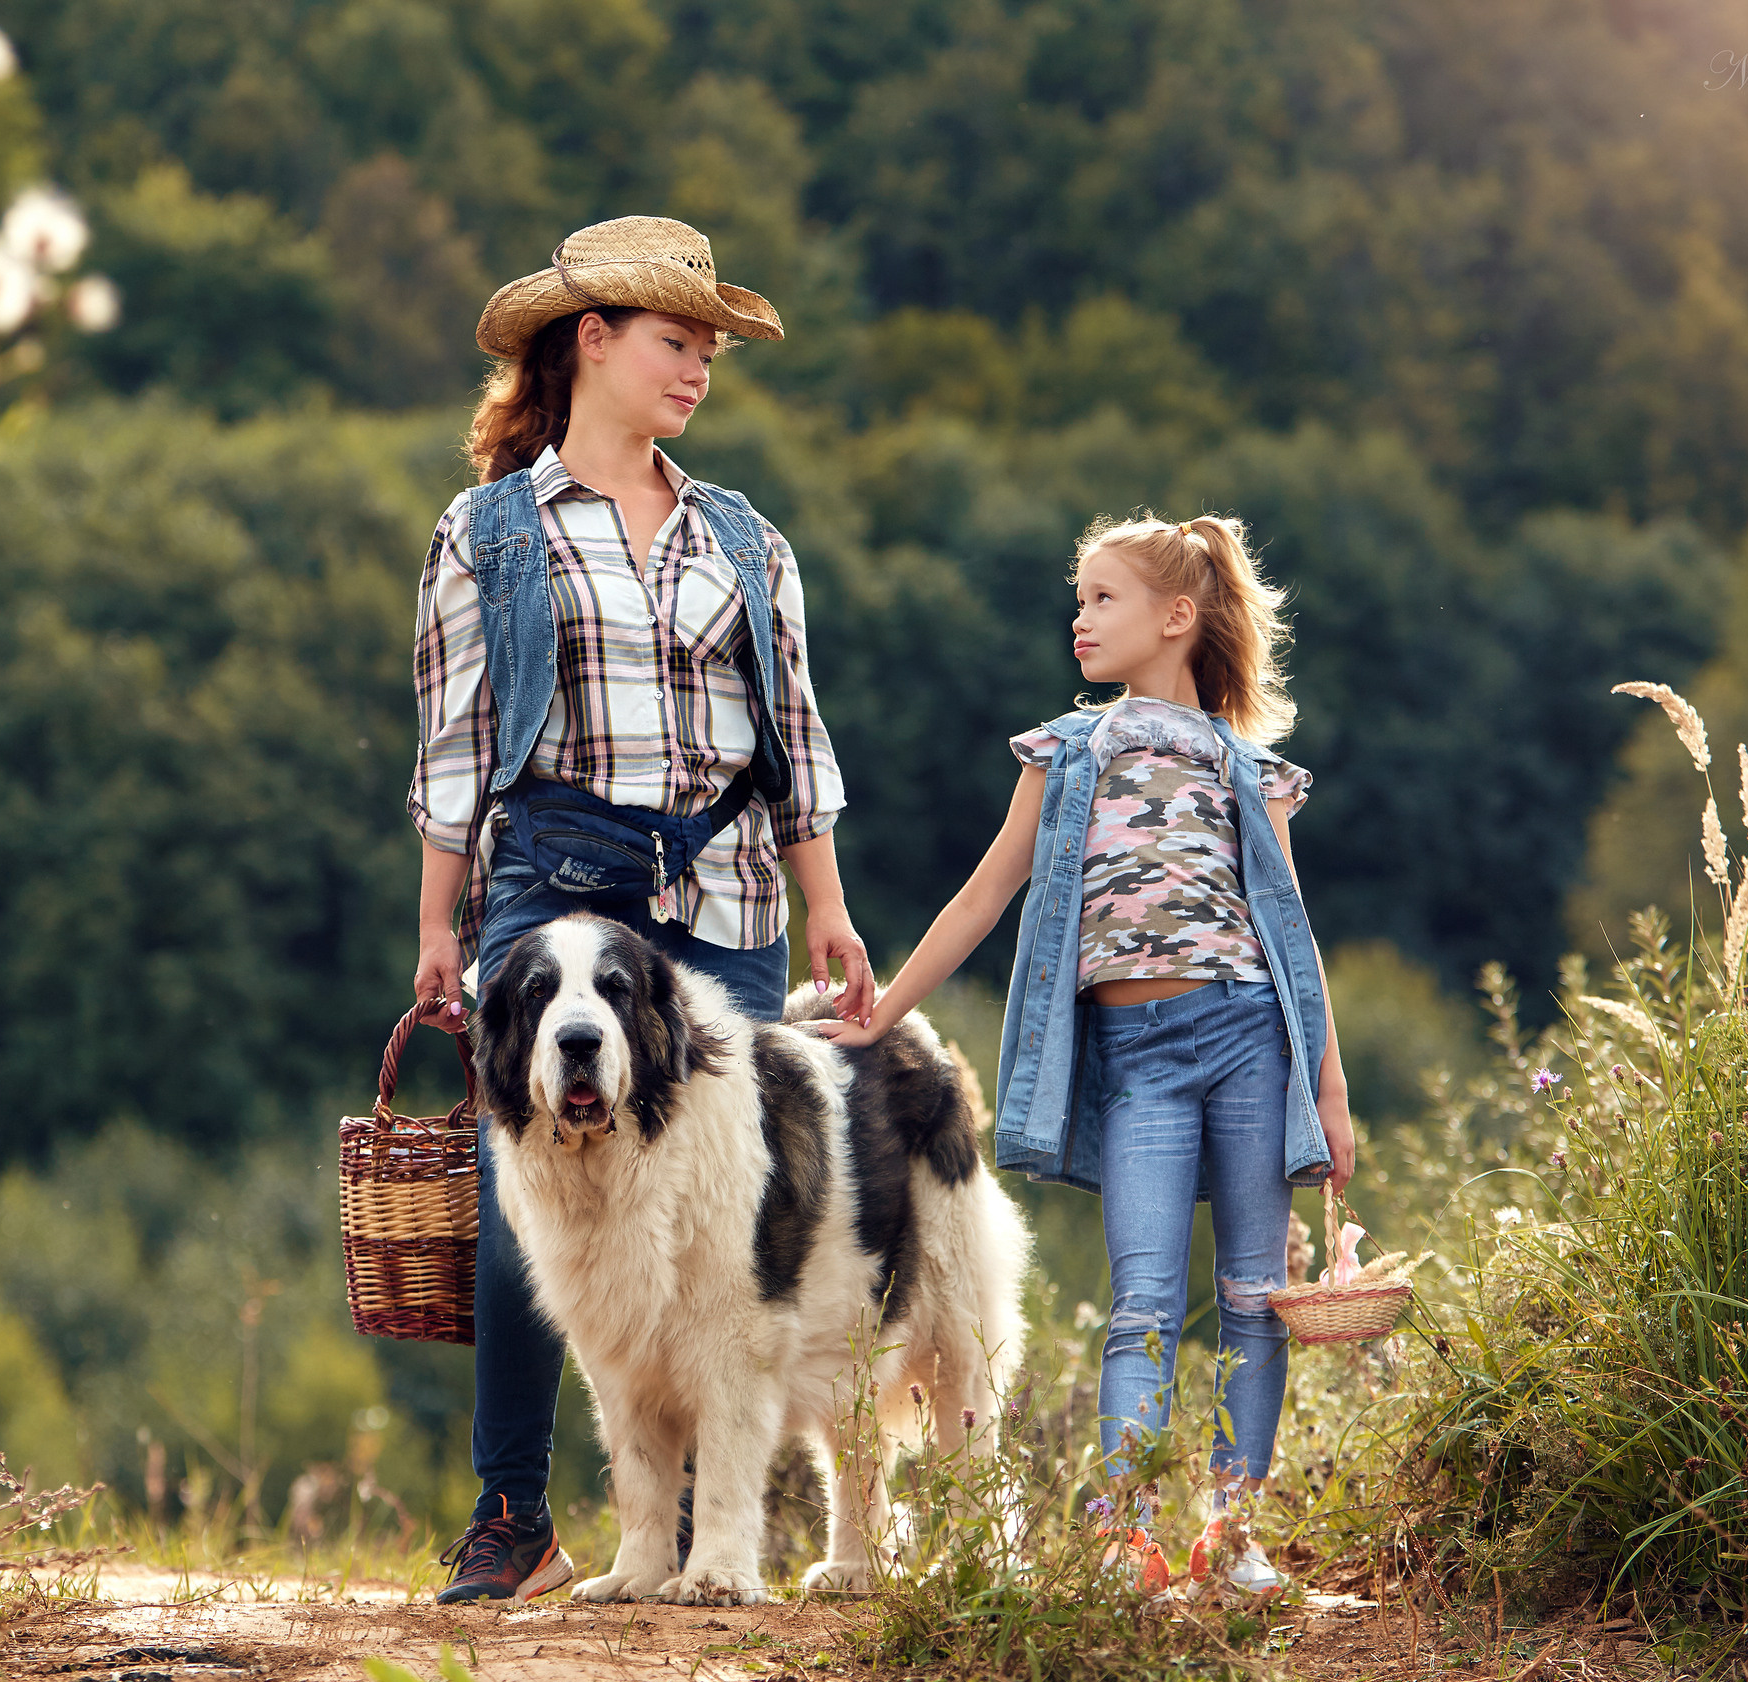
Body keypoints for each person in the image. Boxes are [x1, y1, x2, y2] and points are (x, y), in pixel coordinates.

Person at [406, 217, 872, 1603]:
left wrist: (829, 908)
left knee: (735, 1221)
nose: (700, 371)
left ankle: (714, 1525)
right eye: (678, 342)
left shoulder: (748, 535)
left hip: (722, 888)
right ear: (592, 340)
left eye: (711, 351)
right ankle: (512, 1511)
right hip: (548, 878)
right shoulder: (488, 529)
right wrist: (440, 924)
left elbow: (794, 733)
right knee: (531, 1194)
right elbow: (450, 747)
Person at [809, 512, 1357, 1598]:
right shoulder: (1064, 753)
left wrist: (1328, 1091)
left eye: (1102, 598)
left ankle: (1234, 1536)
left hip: (1251, 1039)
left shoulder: (1250, 770)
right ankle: (1124, 1542)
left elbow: (1290, 937)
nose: (1079, 617)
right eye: (1079, 598)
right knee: (1143, 1303)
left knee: (1253, 1297)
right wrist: (882, 1012)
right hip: (1139, 1055)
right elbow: (982, 895)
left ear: (1175, 617)